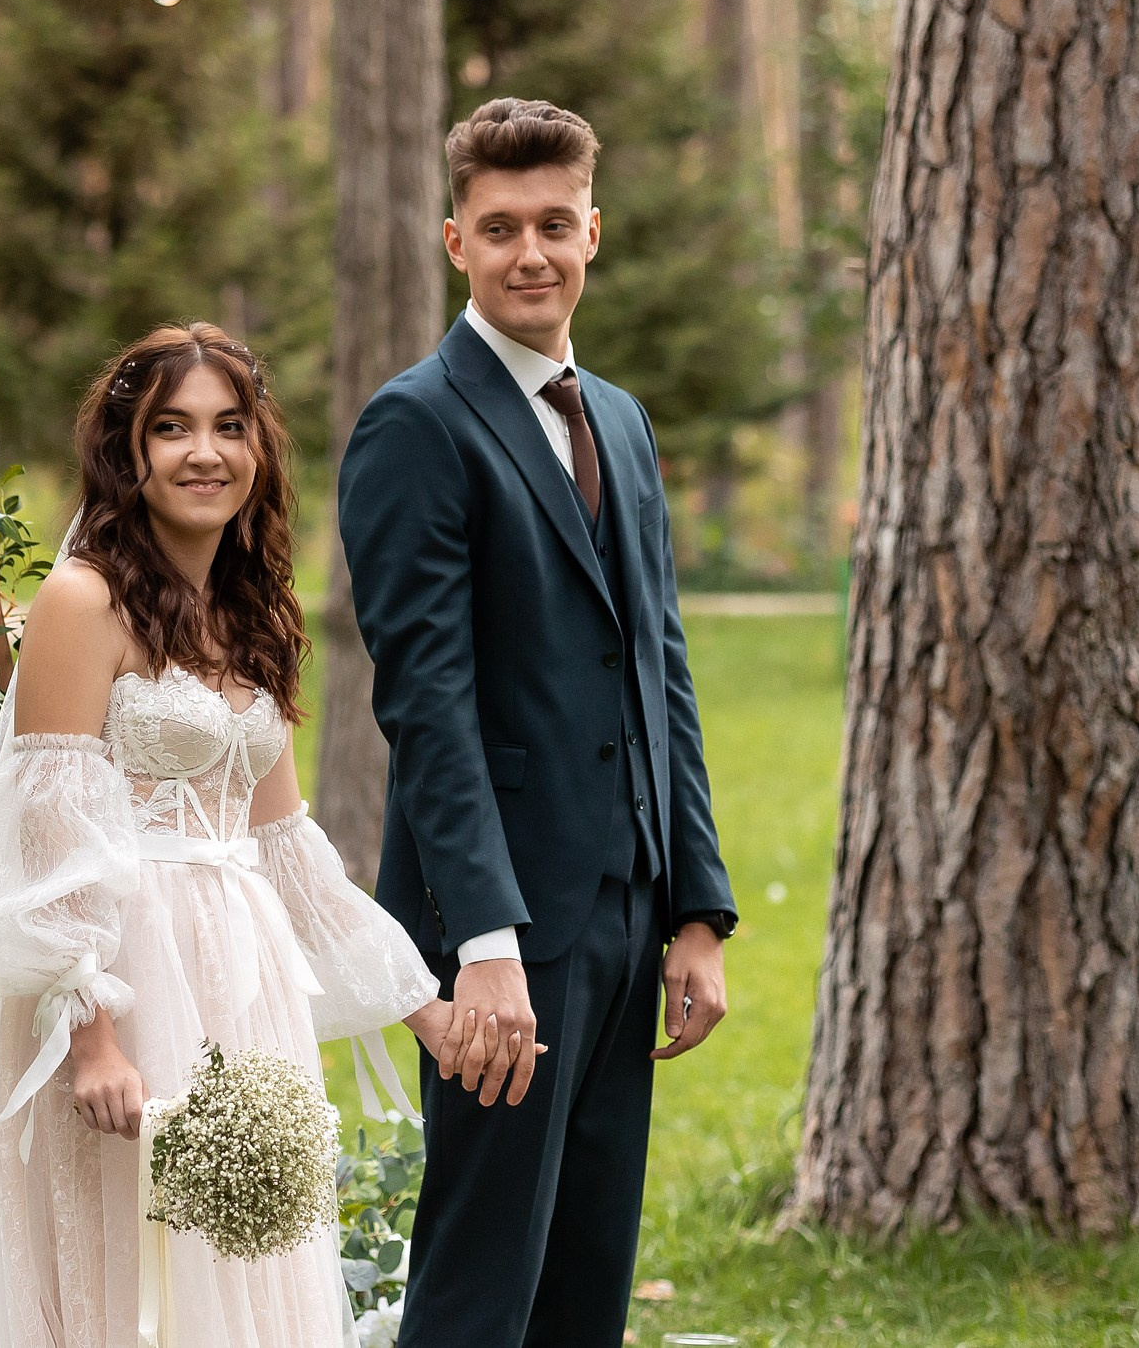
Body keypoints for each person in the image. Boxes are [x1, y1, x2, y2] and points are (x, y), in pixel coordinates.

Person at [0, 323, 457, 1346]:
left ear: (258, 449)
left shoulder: (254, 614)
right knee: (130, 1280)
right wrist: (90, 1034)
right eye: (172, 428)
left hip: (242, 982)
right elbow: (49, 825)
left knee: (242, 1263)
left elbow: (285, 849)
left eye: (229, 426)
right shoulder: (80, 600)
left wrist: (426, 1010)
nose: (205, 452)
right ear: (127, 452)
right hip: (123, 978)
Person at [337, 99, 738, 1348]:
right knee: (478, 1286)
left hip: (625, 915)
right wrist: (486, 944)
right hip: (504, 934)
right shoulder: (416, 423)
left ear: (592, 233)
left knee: (583, 1289)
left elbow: (658, 665)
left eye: (553, 225)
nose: (531, 253)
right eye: (499, 227)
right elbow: (427, 707)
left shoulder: (618, 419)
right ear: (453, 239)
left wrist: (694, 910)